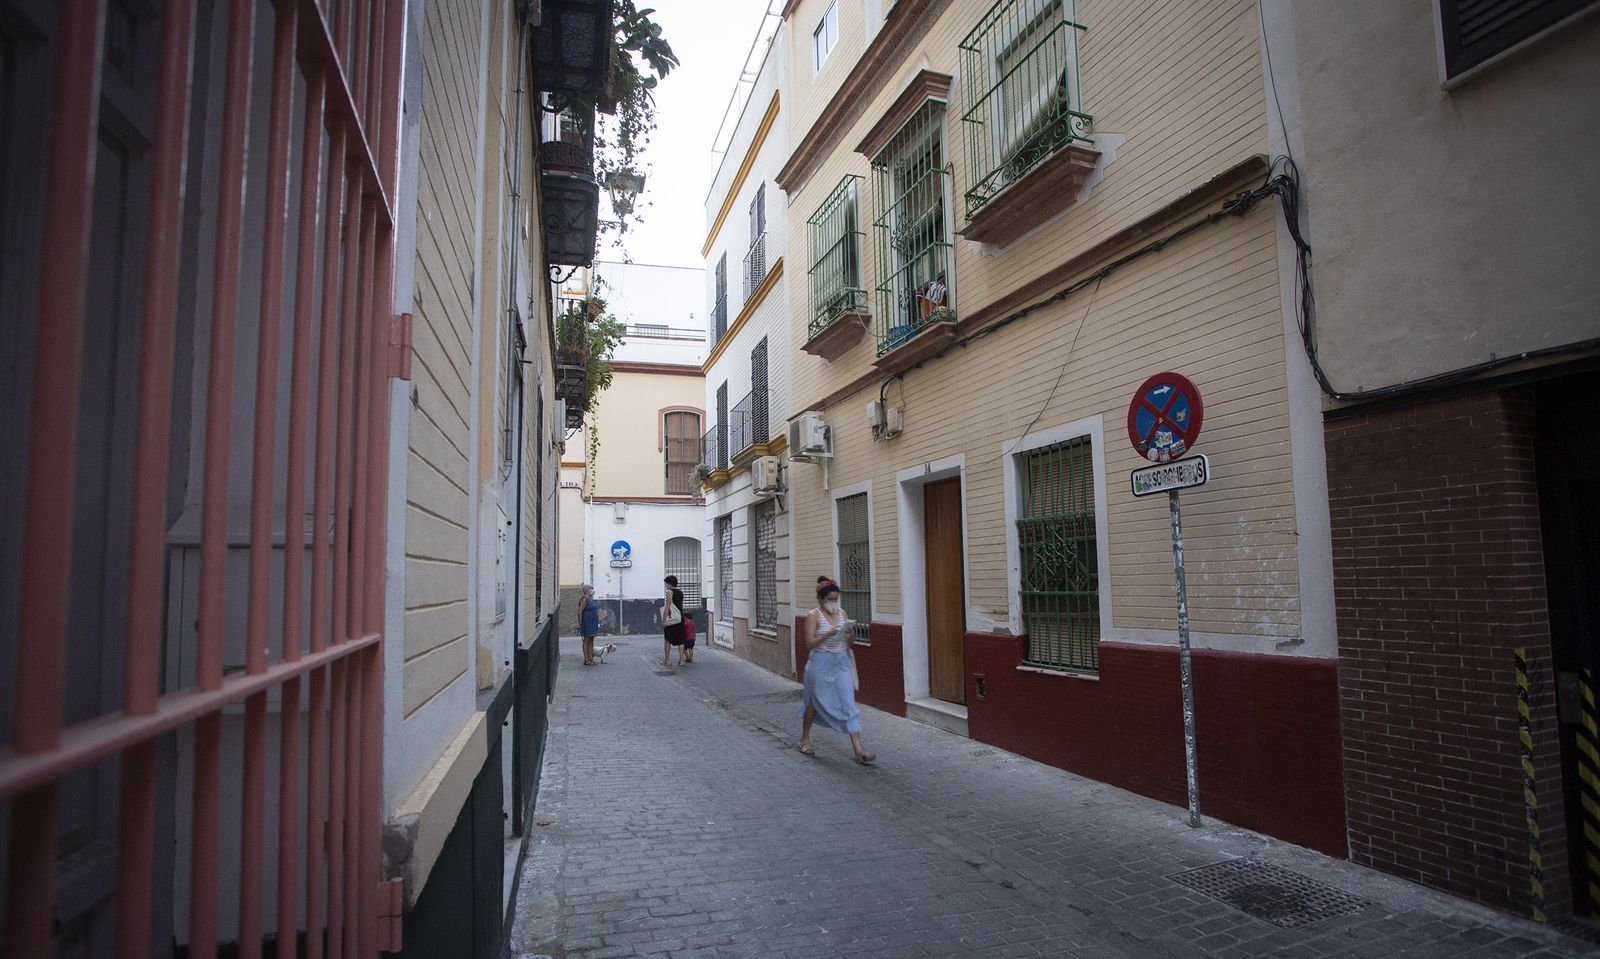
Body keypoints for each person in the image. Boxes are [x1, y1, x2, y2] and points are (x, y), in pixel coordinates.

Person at [798, 576, 874, 764]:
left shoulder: (843, 614)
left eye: (835, 599)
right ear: (821, 599)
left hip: (841, 663)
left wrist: (850, 633)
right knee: (814, 703)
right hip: (820, 664)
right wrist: (828, 634)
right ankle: (805, 737)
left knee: (848, 703)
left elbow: (849, 643)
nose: (833, 603)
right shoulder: (813, 616)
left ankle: (858, 751)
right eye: (830, 599)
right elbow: (809, 644)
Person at [660, 575, 687, 667]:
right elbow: (681, 606)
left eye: (666, 583)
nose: (666, 585)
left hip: (671, 619)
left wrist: (664, 620)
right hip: (679, 618)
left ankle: (667, 660)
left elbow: (668, 607)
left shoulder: (669, 592)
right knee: (681, 639)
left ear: (669, 584)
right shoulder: (681, 593)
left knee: (667, 639)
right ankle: (681, 660)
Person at [578, 585, 600, 665]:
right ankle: (586, 659)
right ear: (587, 590)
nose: (592, 591)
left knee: (591, 640)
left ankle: (591, 658)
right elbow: (580, 611)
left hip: (593, 623)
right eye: (591, 589)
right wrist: (580, 622)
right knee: (586, 641)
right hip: (587, 623)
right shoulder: (584, 599)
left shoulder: (591, 599)